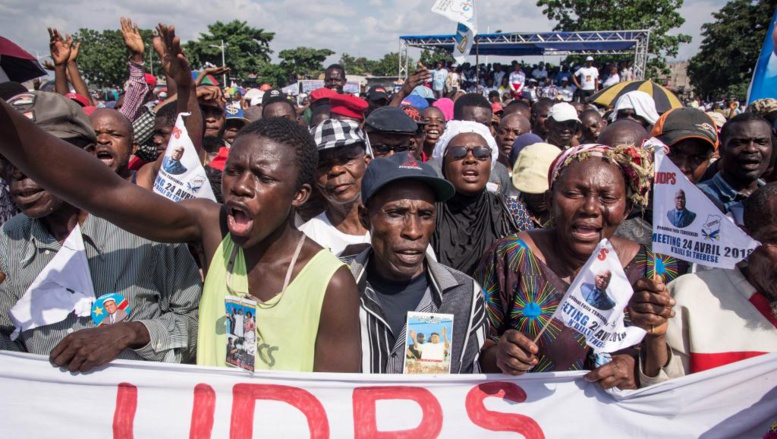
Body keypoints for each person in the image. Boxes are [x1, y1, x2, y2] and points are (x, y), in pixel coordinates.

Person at [0, 25, 360, 373]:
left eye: (263, 178)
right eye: (234, 170)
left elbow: (334, 407)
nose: (241, 187)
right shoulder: (213, 229)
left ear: (299, 194)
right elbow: (103, 191)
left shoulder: (330, 282)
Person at [0, 91, 202, 371]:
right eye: (6, 160)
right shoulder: (8, 240)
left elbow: (200, 325)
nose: (17, 173)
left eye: (38, 159)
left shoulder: (146, 228)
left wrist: (133, 333)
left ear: (87, 157)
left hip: (138, 407)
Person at [476, 144, 684, 389]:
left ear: (627, 209)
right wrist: (501, 356)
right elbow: (473, 350)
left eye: (607, 198)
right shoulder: (510, 257)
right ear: (549, 200)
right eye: (574, 194)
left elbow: (671, 376)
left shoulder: (655, 270)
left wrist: (637, 368)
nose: (590, 208)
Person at [348, 152, 488, 374]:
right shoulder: (332, 284)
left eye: (425, 214)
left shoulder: (464, 295)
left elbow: (466, 389)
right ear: (365, 218)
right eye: (395, 213)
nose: (413, 231)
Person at [636, 183, 777, 386]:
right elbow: (664, 396)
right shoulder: (689, 296)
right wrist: (656, 340)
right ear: (745, 238)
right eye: (775, 239)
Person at [430, 121, 518, 276]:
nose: (470, 159)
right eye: (458, 153)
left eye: (481, 153)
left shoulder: (511, 212)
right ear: (444, 163)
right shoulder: (426, 211)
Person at [299, 119, 371, 257]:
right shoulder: (306, 240)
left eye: (346, 159)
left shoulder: (394, 222)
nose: (336, 170)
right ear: (313, 175)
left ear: (366, 162)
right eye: (323, 165)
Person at [698, 113, 773, 225]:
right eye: (739, 143)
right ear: (722, 150)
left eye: (761, 142)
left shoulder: (772, 197)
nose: (751, 149)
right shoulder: (698, 197)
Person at [651, 107, 718, 184]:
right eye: (674, 152)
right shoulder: (635, 194)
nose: (683, 168)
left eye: (697, 158)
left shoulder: (707, 195)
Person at [509, 142, 562, 229]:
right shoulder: (507, 213)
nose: (536, 197)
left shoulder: (567, 216)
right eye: (529, 191)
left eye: (542, 193)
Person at [88, 108, 135, 180]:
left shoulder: (146, 184)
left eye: (115, 134)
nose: (103, 140)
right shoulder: (69, 186)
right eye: (95, 135)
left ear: (132, 147)